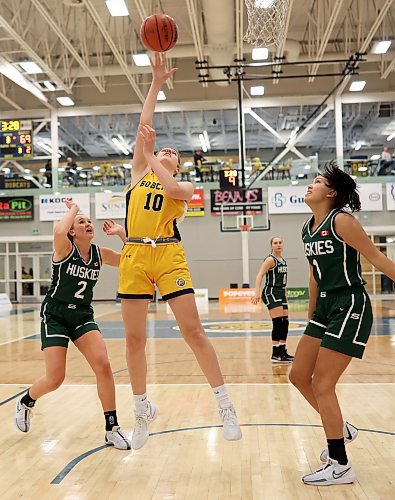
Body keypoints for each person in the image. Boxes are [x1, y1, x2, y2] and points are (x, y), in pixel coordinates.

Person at [118, 52, 241, 450]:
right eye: (162, 149)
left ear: (178, 163)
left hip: (169, 255)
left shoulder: (183, 189)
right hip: (135, 255)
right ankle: (141, 410)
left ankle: (224, 403)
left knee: (193, 331)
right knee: (134, 341)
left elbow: (171, 188)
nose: (165, 149)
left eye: (172, 152)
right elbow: (145, 125)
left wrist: (155, 156)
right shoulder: (138, 173)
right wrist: (155, 83)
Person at [289, 161, 395, 486]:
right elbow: (313, 274)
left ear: (331, 192)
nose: (310, 184)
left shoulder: (342, 221)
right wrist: (311, 312)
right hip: (324, 309)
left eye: (317, 181)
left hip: (350, 304)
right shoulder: (307, 228)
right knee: (297, 376)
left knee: (323, 384)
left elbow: (376, 258)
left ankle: (340, 463)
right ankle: (342, 428)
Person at [15, 199, 131, 450]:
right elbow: (58, 230)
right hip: (55, 315)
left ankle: (112, 428)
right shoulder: (64, 248)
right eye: (82, 222)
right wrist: (73, 209)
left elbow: (130, 260)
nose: (88, 224)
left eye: (89, 221)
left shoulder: (100, 254)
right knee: (55, 379)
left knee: (103, 365)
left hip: (81, 315)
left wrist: (122, 234)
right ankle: (26, 401)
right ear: (72, 231)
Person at [251, 236, 293, 363]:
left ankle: (282, 351)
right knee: (278, 322)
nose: (278, 245)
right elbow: (260, 275)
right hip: (271, 292)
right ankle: (275, 354)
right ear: (272, 245)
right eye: (275, 243)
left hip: (280, 292)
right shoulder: (270, 259)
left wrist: (284, 289)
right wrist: (257, 291)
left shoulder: (283, 260)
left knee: (285, 322)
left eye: (280, 242)